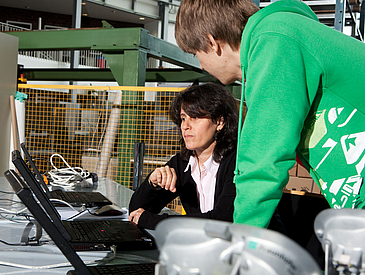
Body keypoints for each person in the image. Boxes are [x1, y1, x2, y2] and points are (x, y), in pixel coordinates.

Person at [175, 0, 365, 229]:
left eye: (196, 53)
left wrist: (240, 244)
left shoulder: (275, 40)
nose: (202, 66)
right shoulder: (280, 35)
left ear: (212, 42)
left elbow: (262, 161)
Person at [128, 82, 238, 229]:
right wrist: (152, 183)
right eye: (183, 118)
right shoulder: (183, 162)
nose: (186, 126)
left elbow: (223, 219)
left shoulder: (236, 161)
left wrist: (154, 221)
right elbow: (135, 212)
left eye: (196, 118)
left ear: (219, 121)